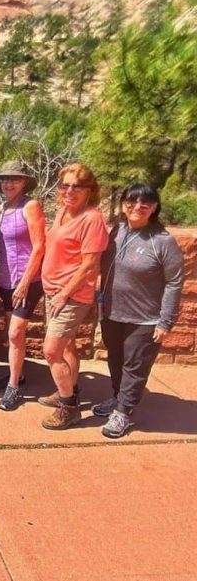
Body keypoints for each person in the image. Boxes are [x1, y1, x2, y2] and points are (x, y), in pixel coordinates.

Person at [93, 183, 184, 438]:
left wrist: (166, 321)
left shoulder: (162, 241)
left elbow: (175, 282)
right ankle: (117, 398)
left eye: (145, 203)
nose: (137, 207)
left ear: (154, 207)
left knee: (135, 367)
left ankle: (123, 411)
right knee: (115, 360)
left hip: (145, 319)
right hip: (111, 313)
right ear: (123, 205)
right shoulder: (117, 231)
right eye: (131, 201)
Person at [39, 163, 108, 430]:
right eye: (65, 185)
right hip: (54, 291)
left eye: (77, 186)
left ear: (90, 190)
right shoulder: (63, 211)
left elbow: (89, 264)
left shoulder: (92, 219)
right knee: (67, 346)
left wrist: (64, 293)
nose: (69, 191)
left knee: (51, 350)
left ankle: (69, 408)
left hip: (72, 294)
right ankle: (67, 390)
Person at [0, 161, 46, 410]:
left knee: (15, 333)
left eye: (14, 179)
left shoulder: (30, 206)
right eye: (5, 179)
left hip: (28, 280)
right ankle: (17, 374)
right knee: (11, 332)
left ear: (24, 182)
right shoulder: (3, 208)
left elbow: (39, 246)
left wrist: (24, 282)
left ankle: (13, 387)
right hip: (5, 279)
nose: (8, 183)